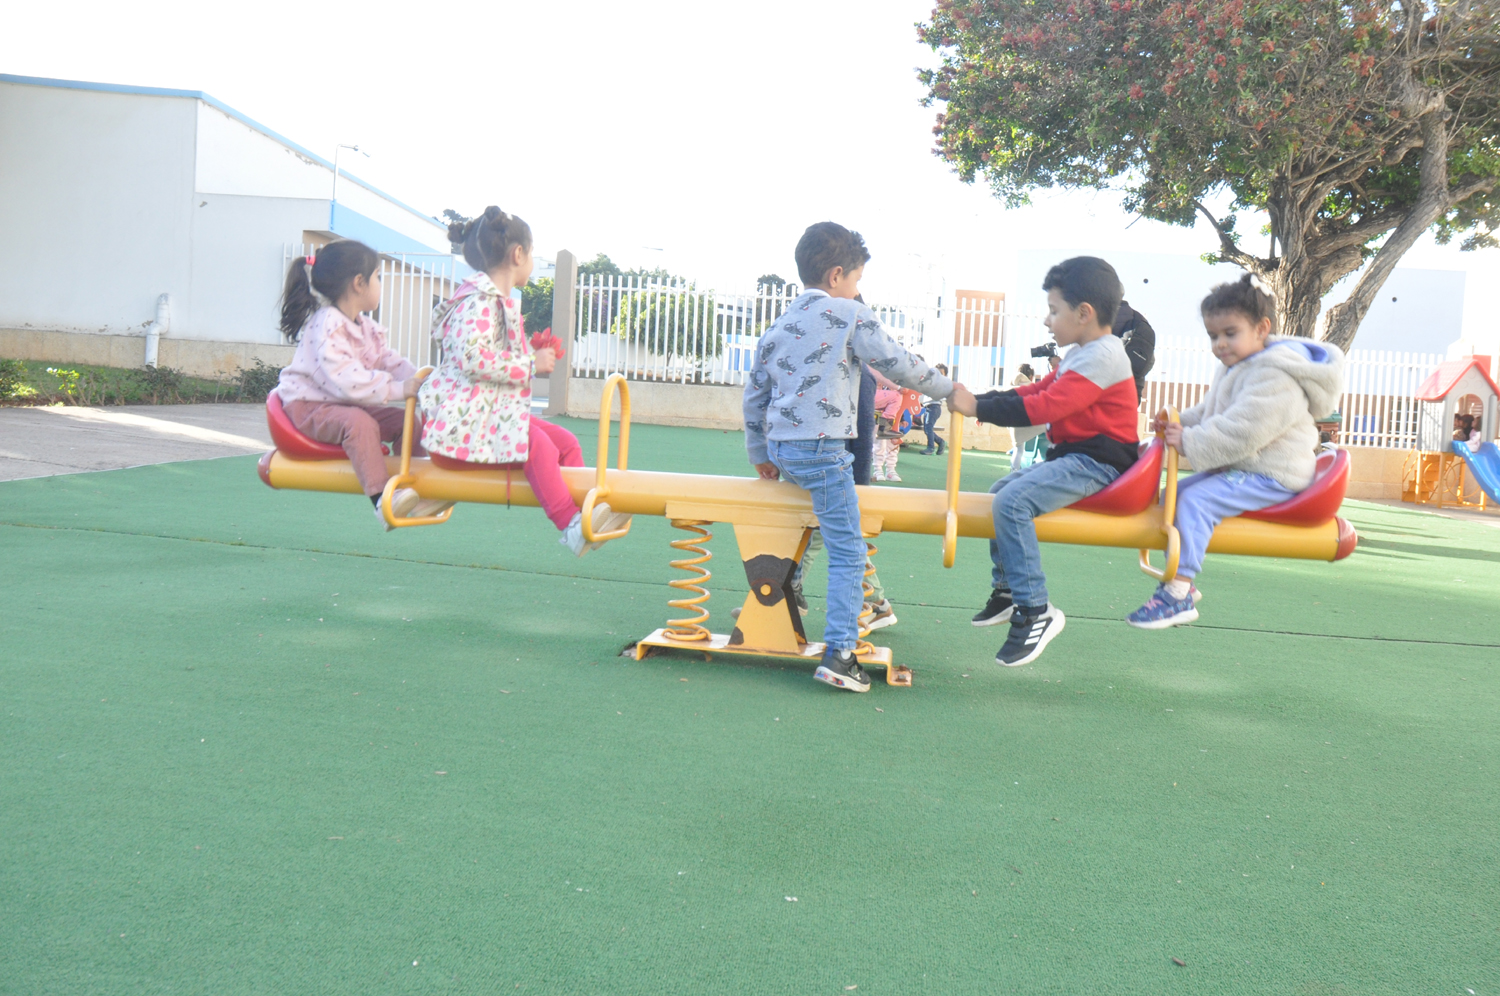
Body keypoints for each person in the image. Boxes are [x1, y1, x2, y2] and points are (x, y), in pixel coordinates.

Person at [744, 221, 954, 692]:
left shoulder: (778, 324)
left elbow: (755, 395)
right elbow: (897, 362)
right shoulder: (849, 313)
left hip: (782, 447)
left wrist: (760, 451)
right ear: (837, 275)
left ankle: (779, 603)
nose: (859, 290)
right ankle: (840, 653)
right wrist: (948, 389)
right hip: (821, 449)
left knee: (804, 526)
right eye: (857, 279)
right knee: (848, 550)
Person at [947, 256, 1139, 667]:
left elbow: (1046, 407)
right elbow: (1031, 393)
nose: (1047, 321)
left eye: (1054, 311)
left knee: (1012, 502)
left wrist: (977, 408)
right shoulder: (1082, 353)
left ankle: (1035, 609)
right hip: (1077, 456)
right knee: (1000, 491)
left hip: (1099, 463)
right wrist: (978, 400)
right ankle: (1008, 590)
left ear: (1084, 313)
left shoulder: (1104, 356)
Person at [1127, 273, 1344, 628]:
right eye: (1213, 336)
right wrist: (1179, 422)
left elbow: (1244, 430)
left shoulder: (1276, 376)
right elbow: (1215, 412)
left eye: (1230, 333)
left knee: (1195, 502)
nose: (1220, 344)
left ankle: (1177, 593)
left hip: (1274, 474)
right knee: (1172, 497)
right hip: (1249, 467)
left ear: (1261, 329)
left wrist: (1189, 441)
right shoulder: (1239, 365)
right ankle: (1183, 582)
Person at [420, 206, 629, 556]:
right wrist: (530, 362)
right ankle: (570, 524)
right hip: (457, 433)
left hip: (478, 420)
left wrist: (530, 354)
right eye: (532, 253)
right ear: (518, 254)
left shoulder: (493, 302)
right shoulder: (478, 302)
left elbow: (487, 358)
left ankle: (587, 511)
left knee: (565, 442)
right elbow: (473, 359)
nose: (532, 261)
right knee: (537, 444)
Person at [275, 240, 451, 530]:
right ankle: (383, 500)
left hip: (341, 404)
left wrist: (423, 383)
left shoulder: (365, 327)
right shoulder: (327, 324)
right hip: (308, 406)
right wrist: (398, 389)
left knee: (407, 422)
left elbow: (388, 361)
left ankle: (416, 488)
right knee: (360, 424)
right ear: (359, 283)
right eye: (377, 277)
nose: (380, 284)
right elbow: (346, 380)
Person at [1112, 300, 1156, 403]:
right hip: (1132, 393)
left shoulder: (1102, 317)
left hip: (1105, 392)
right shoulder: (1140, 321)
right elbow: (1150, 360)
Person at [919, 363, 949, 456]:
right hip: (927, 407)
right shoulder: (930, 381)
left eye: (941, 373)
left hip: (934, 407)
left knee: (928, 428)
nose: (938, 375)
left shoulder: (942, 384)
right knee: (927, 429)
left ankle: (930, 448)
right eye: (937, 372)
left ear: (945, 376)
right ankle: (940, 442)